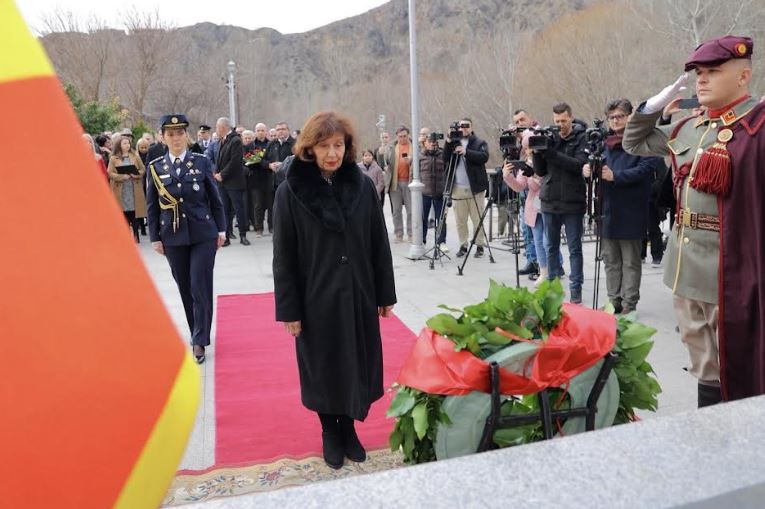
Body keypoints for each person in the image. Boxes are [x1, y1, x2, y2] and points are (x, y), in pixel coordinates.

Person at [623, 35, 765, 407]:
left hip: (731, 271)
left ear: (743, 76)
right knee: (704, 364)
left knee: (739, 363)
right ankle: (710, 427)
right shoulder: (688, 128)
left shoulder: (758, 125)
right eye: (698, 72)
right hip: (685, 268)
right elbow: (634, 142)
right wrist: (650, 107)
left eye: (713, 71)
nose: (701, 79)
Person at [272, 111, 396, 470]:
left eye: (338, 145)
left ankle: (349, 428)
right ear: (309, 148)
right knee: (323, 366)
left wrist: (384, 294)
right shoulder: (290, 192)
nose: (332, 153)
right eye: (324, 146)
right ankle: (329, 430)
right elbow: (284, 257)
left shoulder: (362, 186)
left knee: (355, 361)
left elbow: (378, 243)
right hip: (316, 297)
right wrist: (290, 311)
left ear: (348, 146)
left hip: (358, 292)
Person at [146, 114, 226, 364]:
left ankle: (200, 340)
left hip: (203, 233)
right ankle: (195, 331)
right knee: (185, 287)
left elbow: (215, 199)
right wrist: (155, 238)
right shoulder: (155, 167)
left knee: (199, 284)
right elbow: (152, 206)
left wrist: (221, 229)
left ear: (186, 135)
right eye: (170, 134)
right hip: (172, 236)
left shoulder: (201, 162)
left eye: (180, 133)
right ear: (162, 137)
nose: (176, 138)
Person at [583, 99, 663, 314]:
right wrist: (588, 171)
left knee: (630, 261)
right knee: (610, 260)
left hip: (631, 208)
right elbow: (595, 168)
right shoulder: (603, 143)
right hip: (606, 208)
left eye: (620, 116)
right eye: (611, 117)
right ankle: (613, 300)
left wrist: (616, 176)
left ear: (630, 117)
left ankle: (629, 302)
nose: (615, 120)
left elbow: (647, 168)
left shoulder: (643, 140)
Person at [532, 103, 588, 303]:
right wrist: (537, 152)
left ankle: (576, 288)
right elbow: (540, 171)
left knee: (574, 248)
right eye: (557, 121)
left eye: (564, 121)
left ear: (571, 118)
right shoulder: (550, 137)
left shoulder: (582, 137)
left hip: (573, 201)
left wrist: (551, 153)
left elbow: (578, 165)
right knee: (551, 247)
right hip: (550, 199)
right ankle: (552, 287)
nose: (560, 125)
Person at [503, 130, 550, 286]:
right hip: (533, 205)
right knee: (538, 241)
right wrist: (507, 175)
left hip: (549, 202)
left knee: (548, 240)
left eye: (532, 146)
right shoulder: (527, 163)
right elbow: (519, 186)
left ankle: (554, 270)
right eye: (526, 148)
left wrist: (534, 175)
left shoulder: (548, 159)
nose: (529, 150)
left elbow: (548, 181)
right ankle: (543, 272)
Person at [443, 118, 490, 258]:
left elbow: (484, 157)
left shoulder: (479, 142)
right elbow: (445, 158)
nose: (463, 128)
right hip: (457, 187)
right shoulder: (453, 142)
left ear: (471, 127)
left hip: (475, 188)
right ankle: (463, 245)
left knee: (477, 219)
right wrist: (448, 141)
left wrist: (466, 152)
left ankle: (479, 245)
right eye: (460, 126)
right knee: (460, 220)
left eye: (466, 126)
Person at [214, 117, 250, 246]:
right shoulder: (222, 140)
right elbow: (219, 159)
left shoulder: (235, 140)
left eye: (217, 127)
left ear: (223, 127)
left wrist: (222, 175)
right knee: (225, 210)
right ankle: (227, 236)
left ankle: (243, 235)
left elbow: (235, 161)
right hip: (222, 183)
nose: (216, 129)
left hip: (234, 182)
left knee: (238, 209)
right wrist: (216, 173)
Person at [107, 134, 146, 242]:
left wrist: (136, 174)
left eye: (128, 143)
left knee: (134, 212)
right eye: (124, 143)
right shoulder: (113, 158)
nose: (127, 145)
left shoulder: (135, 156)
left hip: (133, 188)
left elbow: (143, 169)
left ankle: (136, 235)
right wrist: (121, 177)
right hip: (121, 189)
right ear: (119, 145)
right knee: (123, 212)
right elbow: (110, 173)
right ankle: (126, 236)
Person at [419, 136, 448, 251]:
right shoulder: (420, 156)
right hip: (424, 192)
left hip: (439, 193)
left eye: (434, 142)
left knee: (440, 218)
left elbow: (448, 172)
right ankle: (422, 240)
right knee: (423, 218)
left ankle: (441, 241)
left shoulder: (442, 155)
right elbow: (413, 174)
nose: (432, 144)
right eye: (430, 142)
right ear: (425, 143)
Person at [245, 123, 271, 236]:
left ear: (266, 131)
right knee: (257, 205)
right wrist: (260, 161)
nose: (260, 132)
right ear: (255, 132)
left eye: (262, 130)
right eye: (258, 130)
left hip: (269, 177)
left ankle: (271, 226)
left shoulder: (271, 144)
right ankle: (258, 228)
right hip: (255, 178)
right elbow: (248, 160)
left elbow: (272, 158)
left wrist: (260, 160)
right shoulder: (250, 145)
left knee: (271, 204)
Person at [388, 126, 414, 242]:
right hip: (395, 182)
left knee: (411, 210)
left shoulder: (414, 147)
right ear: (397, 137)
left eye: (404, 136)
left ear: (408, 135)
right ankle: (399, 234)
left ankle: (411, 233)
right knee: (396, 210)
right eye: (400, 136)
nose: (402, 138)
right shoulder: (392, 148)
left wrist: (411, 161)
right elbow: (385, 161)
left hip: (409, 182)